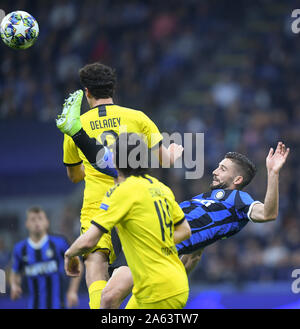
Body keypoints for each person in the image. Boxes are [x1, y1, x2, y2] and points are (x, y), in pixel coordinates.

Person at [63, 129, 289, 308]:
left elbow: (268, 214)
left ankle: (80, 136)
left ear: (237, 178)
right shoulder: (202, 197)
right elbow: (194, 253)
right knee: (108, 298)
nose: (215, 171)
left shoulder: (239, 199)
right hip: (145, 244)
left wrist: (273, 173)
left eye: (222, 169)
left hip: (157, 256)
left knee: (108, 297)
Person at [56, 62, 183, 309]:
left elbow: (73, 176)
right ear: (113, 89)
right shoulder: (138, 118)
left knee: (96, 260)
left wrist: (91, 165)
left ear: (87, 93)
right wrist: (175, 154)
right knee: (138, 256)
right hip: (136, 198)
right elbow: (164, 160)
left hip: (98, 203)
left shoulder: (76, 125)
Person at [64, 133, 191, 309]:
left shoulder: (121, 193)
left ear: (116, 161)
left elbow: (89, 240)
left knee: (107, 300)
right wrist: (154, 242)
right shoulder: (161, 188)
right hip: (174, 283)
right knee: (108, 300)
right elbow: (185, 230)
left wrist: (69, 254)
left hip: (156, 292)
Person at [10, 206, 82, 309]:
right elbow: (15, 271)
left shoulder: (59, 243)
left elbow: (77, 264)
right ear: (27, 224)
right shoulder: (20, 249)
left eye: (40, 218)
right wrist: (14, 285)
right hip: (33, 306)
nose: (37, 223)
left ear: (47, 222)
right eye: (33, 219)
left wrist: (72, 291)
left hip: (58, 305)